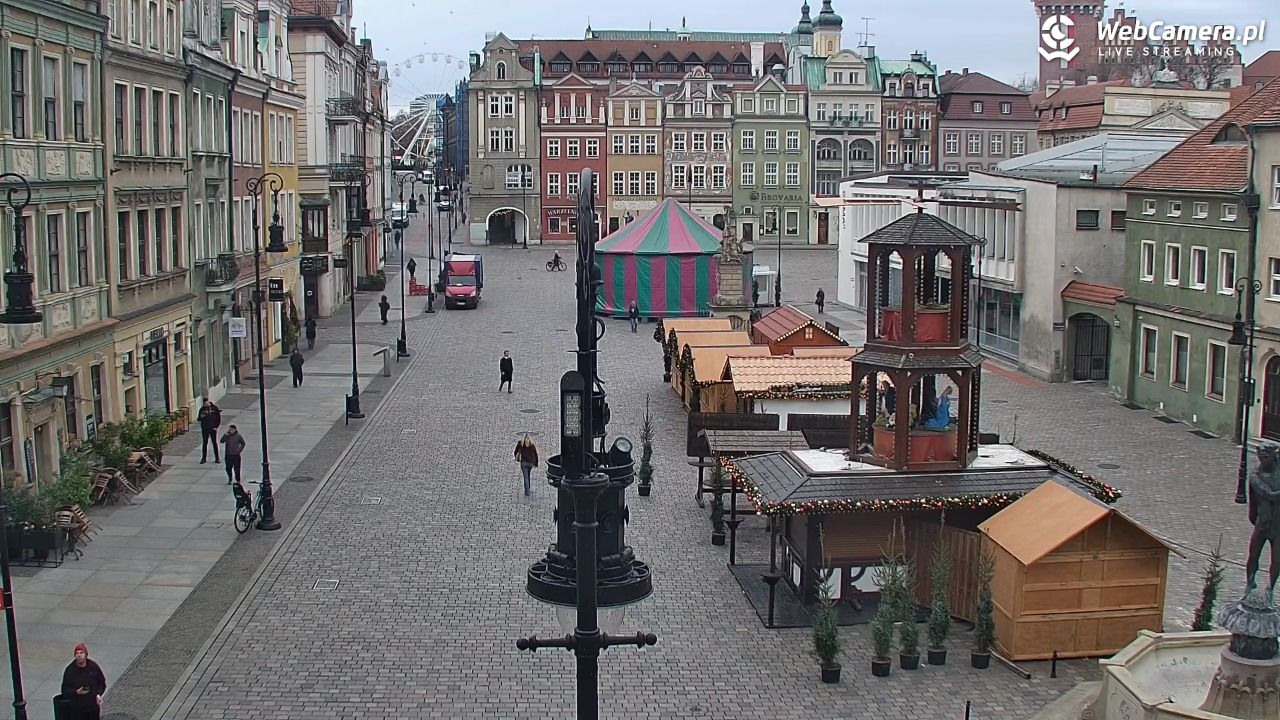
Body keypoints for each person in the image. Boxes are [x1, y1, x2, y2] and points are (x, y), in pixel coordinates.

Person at [60, 643, 106, 720]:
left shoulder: (93, 666)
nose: (79, 655)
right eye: (77, 653)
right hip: (78, 710)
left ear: (86, 654)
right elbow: (64, 690)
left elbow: (102, 683)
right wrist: (76, 692)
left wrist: (98, 694)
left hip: (92, 708)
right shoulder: (70, 670)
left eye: (81, 653)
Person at [197, 397, 221, 464]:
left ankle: (217, 458)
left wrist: (216, 427)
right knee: (205, 443)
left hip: (213, 428)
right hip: (205, 429)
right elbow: (198, 419)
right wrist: (201, 416)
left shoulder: (214, 408)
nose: (205, 405)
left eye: (206, 403)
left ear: (208, 402)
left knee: (214, 443)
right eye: (204, 404)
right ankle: (204, 458)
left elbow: (218, 418)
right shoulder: (202, 409)